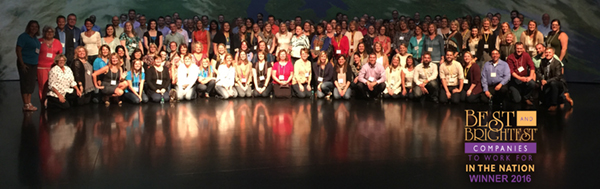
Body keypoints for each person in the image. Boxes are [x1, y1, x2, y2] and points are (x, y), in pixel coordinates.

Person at [17, 20, 41, 111]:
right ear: (28, 27)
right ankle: (25, 104)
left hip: (34, 63)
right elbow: (18, 50)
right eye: (32, 26)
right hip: (25, 63)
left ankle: (29, 103)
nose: (34, 28)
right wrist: (22, 63)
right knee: (25, 83)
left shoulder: (35, 38)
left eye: (36, 27)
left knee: (31, 83)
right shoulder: (23, 37)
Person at [38, 26, 63, 103]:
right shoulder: (39, 41)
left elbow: (60, 55)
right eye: (47, 32)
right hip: (42, 67)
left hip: (54, 67)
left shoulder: (57, 42)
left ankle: (52, 101)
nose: (49, 33)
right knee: (43, 85)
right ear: (44, 33)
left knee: (54, 85)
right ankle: (43, 101)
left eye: (51, 32)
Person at [538, 47, 567, 111]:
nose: (548, 54)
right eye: (546, 52)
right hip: (546, 81)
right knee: (545, 102)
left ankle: (554, 104)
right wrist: (542, 79)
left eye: (549, 52)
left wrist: (546, 81)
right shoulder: (543, 61)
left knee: (553, 83)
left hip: (557, 82)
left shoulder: (557, 63)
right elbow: (539, 71)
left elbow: (558, 77)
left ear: (553, 54)